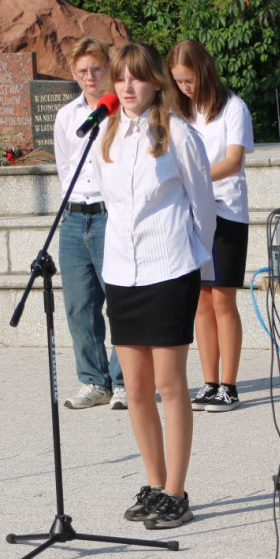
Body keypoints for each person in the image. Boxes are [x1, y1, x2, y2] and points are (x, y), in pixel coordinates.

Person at [90, 42, 216, 529]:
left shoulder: (179, 134)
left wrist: (194, 259)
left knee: (169, 384)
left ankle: (177, 491)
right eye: (119, 78)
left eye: (137, 78)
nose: (126, 87)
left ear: (155, 83)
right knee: (137, 389)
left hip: (169, 268)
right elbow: (107, 201)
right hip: (122, 271)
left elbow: (202, 206)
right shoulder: (105, 135)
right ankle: (154, 480)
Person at [166, 39, 254, 413]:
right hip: (192, 214)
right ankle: (210, 381)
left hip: (227, 212)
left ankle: (229, 385)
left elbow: (233, 161)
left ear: (204, 70)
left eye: (190, 80)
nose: (186, 88)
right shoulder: (178, 112)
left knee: (223, 299)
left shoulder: (233, 107)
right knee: (199, 300)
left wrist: (193, 179)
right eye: (179, 82)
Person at [53, 37, 126, 410]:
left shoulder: (119, 111)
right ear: (73, 74)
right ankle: (94, 381)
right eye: (82, 71)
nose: (90, 76)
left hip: (108, 215)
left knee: (117, 301)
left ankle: (123, 379)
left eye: (96, 68)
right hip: (73, 218)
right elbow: (65, 166)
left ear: (108, 69)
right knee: (79, 305)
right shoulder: (67, 116)